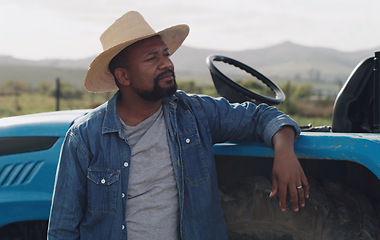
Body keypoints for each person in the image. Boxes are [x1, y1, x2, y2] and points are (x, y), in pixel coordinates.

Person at [47, 11, 309, 240]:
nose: (166, 64)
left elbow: (259, 116)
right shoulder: (84, 137)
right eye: (151, 59)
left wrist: (284, 149)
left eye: (166, 54)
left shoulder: (194, 113)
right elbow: (63, 229)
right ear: (123, 76)